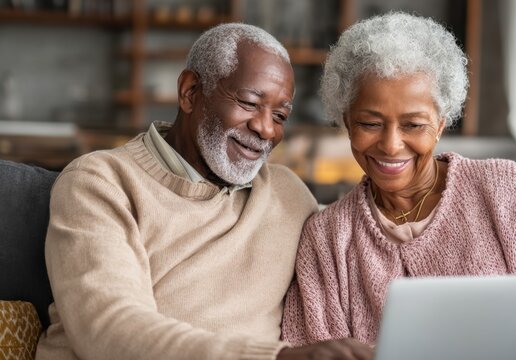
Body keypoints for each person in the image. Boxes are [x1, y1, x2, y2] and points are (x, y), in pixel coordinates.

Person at [281, 12, 516, 359]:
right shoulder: (326, 239)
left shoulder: (509, 191)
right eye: (370, 122)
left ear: (441, 125)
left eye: (413, 125)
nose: (390, 144)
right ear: (346, 122)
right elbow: (307, 346)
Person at [36, 23, 372, 360]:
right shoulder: (101, 182)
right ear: (190, 91)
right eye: (249, 103)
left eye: (281, 115)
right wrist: (278, 357)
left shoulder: (287, 195)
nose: (266, 128)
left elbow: (357, 246)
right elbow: (108, 330)